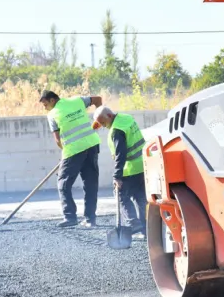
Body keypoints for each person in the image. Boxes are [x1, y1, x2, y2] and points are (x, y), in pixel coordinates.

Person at [39, 90, 103, 228]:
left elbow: (57, 140)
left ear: (52, 100)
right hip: (92, 145)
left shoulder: (52, 115)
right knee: (90, 184)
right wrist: (98, 121)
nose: (45, 108)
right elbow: (98, 99)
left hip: (73, 151)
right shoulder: (77, 100)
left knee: (63, 184)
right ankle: (90, 219)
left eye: (45, 104)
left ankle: (70, 217)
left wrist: (65, 154)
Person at [92, 105, 147, 239]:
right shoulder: (126, 118)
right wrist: (98, 122)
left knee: (121, 196)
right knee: (141, 198)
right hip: (143, 165)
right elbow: (102, 120)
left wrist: (117, 176)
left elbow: (120, 155)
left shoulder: (116, 131)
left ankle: (133, 223)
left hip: (130, 168)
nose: (104, 126)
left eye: (104, 123)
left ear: (110, 116)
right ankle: (147, 230)